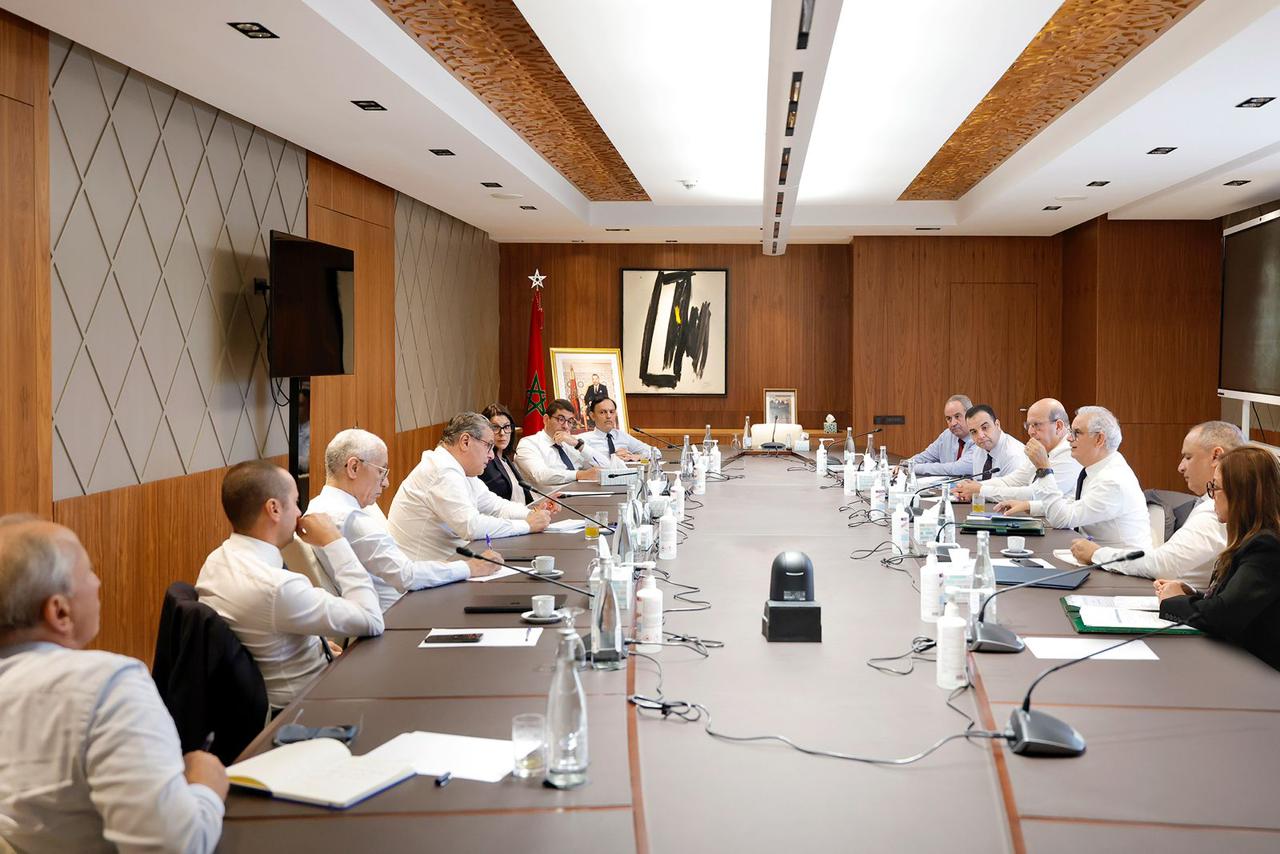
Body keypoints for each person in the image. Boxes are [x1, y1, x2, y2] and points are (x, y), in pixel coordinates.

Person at [0, 517, 227, 852]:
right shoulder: (108, 687)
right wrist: (205, 786)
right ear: (60, 612)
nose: (98, 581)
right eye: (88, 572)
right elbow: (175, 847)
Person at [196, 460, 384, 710]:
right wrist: (334, 541)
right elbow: (372, 620)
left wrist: (316, 645)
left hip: (277, 692)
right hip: (306, 706)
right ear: (274, 509)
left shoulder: (216, 561)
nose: (299, 513)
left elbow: (265, 627)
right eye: (295, 502)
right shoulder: (277, 587)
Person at [306, 429, 499, 611]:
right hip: (399, 612)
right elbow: (407, 576)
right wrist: (470, 567)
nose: (386, 483)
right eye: (381, 471)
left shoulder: (320, 505)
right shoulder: (349, 517)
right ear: (354, 467)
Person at [1076, 421, 1243, 588]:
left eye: (1188, 457)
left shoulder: (1215, 510)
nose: (1180, 467)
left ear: (1216, 456)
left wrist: (1097, 554)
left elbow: (1162, 565)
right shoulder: (1217, 504)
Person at [1157, 445, 1280, 671]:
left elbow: (1225, 615)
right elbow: (1238, 601)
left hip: (1261, 673)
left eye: (1215, 487)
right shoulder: (1252, 539)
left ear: (1240, 493)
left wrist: (1174, 601)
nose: (1211, 495)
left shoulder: (1266, 546)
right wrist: (1193, 594)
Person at [388, 413, 553, 563]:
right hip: (427, 574)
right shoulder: (441, 471)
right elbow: (471, 526)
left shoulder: (460, 469)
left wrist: (531, 514)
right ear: (465, 442)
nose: (492, 455)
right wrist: (527, 525)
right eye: (488, 446)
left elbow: (495, 506)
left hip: (452, 564)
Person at [997, 406, 1151, 551]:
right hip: (1093, 556)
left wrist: (1044, 469)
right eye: (1071, 432)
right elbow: (1072, 505)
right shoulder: (1099, 467)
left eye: (1077, 433)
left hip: (1117, 566)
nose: (1069, 438)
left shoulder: (1112, 480)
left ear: (1099, 439)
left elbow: (1062, 519)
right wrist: (1028, 505)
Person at [953, 398, 1081, 510]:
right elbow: (1014, 480)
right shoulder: (1043, 449)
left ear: (1058, 426)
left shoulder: (1070, 452)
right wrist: (973, 487)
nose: (1030, 432)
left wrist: (981, 490)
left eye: (1036, 425)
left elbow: (1037, 494)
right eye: (1028, 425)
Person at [513, 398, 602, 493]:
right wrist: (579, 475)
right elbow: (540, 475)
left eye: (570, 421)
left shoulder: (571, 442)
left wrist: (579, 445)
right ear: (546, 419)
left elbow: (603, 467)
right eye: (561, 419)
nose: (566, 426)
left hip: (583, 494)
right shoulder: (528, 444)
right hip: (549, 500)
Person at [907, 394, 977, 476]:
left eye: (957, 416)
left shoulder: (980, 438)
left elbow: (957, 469)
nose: (953, 423)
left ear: (970, 415)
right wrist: (905, 464)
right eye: (949, 418)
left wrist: (912, 468)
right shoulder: (947, 435)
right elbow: (925, 457)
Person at [479, 403, 534, 503]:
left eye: (506, 426)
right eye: (495, 427)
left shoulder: (505, 459)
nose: (502, 433)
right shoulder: (485, 462)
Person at [959, 404, 1026, 486]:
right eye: (974, 432)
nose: (980, 436)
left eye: (985, 428)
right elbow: (978, 485)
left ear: (997, 425)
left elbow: (1011, 492)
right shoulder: (978, 450)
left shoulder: (1014, 455)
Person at [580, 397, 658, 464]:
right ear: (592, 416)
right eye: (602, 412)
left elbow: (656, 452)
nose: (608, 416)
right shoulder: (584, 440)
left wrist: (637, 456)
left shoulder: (622, 436)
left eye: (612, 412)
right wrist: (613, 459)